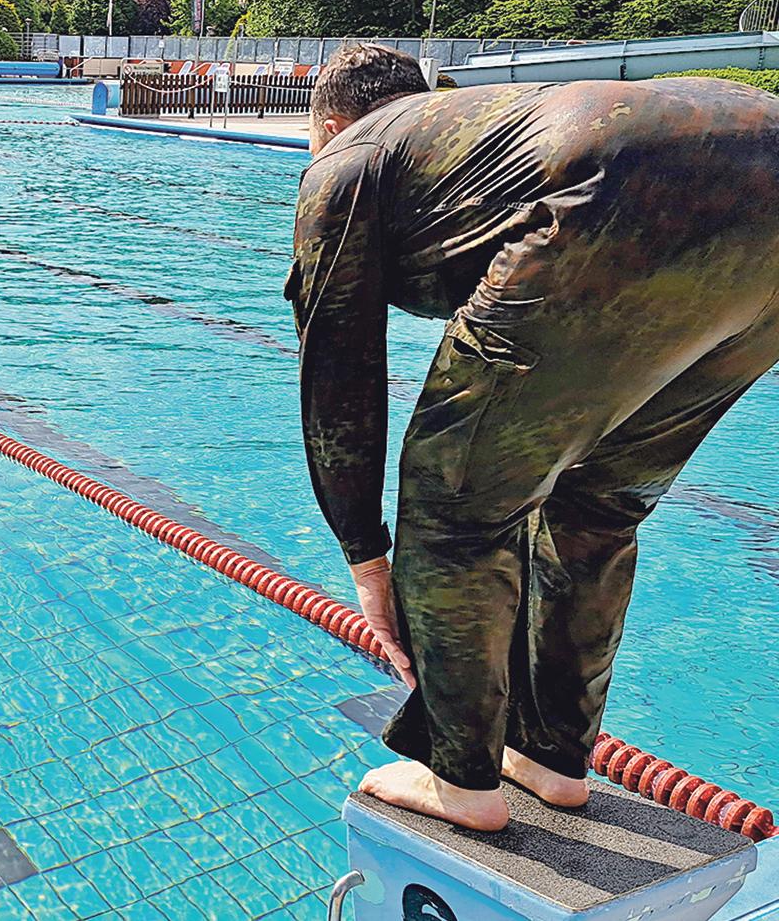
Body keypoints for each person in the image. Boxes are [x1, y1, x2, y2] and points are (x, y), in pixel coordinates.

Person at [288, 43, 779, 832]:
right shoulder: (461, 131)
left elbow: (336, 369)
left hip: (619, 186)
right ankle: (551, 756)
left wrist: (366, 557)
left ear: (332, 125)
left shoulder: (346, 160)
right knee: (597, 509)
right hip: (760, 193)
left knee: (452, 505)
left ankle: (460, 776)